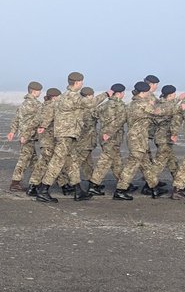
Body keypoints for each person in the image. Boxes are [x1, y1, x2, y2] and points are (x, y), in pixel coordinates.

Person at [31, 72, 93, 202]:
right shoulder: (72, 97)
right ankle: (43, 190)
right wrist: (107, 94)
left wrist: (43, 125)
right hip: (66, 135)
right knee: (57, 162)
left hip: (67, 135)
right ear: (77, 83)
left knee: (72, 162)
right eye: (81, 82)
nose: (82, 84)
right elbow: (90, 103)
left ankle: (78, 190)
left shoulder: (63, 97)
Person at [113, 81, 162, 200]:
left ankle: (154, 187)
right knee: (132, 165)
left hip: (137, 138)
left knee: (146, 165)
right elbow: (158, 112)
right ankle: (120, 190)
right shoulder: (142, 104)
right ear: (144, 92)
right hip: (138, 139)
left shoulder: (131, 104)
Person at [89, 83, 127, 194]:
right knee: (105, 161)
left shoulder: (105, 105)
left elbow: (94, 113)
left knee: (116, 161)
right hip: (112, 136)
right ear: (119, 94)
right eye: (123, 93)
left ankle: (123, 182)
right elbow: (119, 122)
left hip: (103, 134)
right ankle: (94, 184)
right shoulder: (120, 106)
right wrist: (109, 132)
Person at [7, 81, 42, 192]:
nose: (40, 93)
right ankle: (15, 183)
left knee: (34, 160)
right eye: (39, 91)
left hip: (24, 135)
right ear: (34, 91)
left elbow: (16, 119)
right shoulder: (35, 104)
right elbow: (36, 121)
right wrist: (25, 135)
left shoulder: (23, 104)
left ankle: (36, 182)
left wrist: (12, 131)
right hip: (28, 136)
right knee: (24, 159)